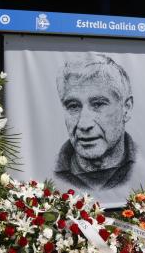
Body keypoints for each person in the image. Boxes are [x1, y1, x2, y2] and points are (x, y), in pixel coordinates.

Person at [54, 53, 137, 191]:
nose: (84, 124)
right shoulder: (49, 174)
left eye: (98, 104)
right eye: (73, 106)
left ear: (126, 108)